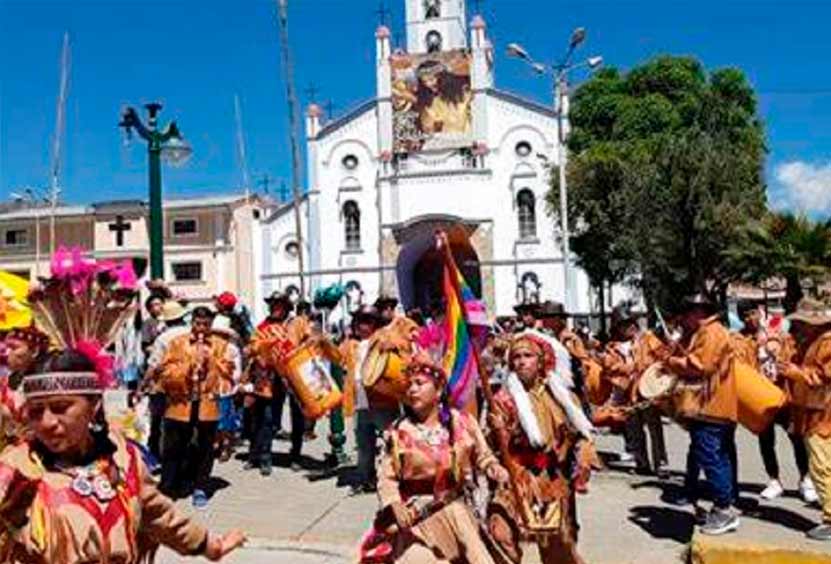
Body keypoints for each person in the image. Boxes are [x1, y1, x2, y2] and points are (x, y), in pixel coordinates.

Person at [364, 345, 509, 563]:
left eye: (420, 384)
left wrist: (493, 467)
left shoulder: (461, 423)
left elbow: (483, 455)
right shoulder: (398, 433)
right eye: (409, 385)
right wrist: (394, 503)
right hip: (417, 518)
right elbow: (387, 477)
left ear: (439, 390)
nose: (412, 390)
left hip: (457, 513)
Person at [486, 334, 597, 564]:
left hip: (552, 481)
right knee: (500, 535)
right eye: (516, 357)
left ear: (541, 361)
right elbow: (489, 449)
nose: (521, 362)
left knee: (558, 549)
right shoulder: (502, 399)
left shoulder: (562, 397)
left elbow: (582, 436)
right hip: (515, 480)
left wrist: (584, 457)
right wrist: (498, 432)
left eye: (527, 356)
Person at [665, 294, 740, 536]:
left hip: (710, 406)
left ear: (698, 312)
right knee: (720, 456)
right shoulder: (711, 332)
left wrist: (673, 362)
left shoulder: (710, 333)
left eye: (687, 314)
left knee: (710, 456)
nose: (684, 319)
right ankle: (725, 505)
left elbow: (700, 366)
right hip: (717, 406)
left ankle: (723, 508)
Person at [734, 303, 815, 503]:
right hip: (760, 399)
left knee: (796, 438)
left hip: (784, 395)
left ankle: (805, 478)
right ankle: (774, 480)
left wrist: (773, 343)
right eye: (744, 315)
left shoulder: (779, 332)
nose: (749, 318)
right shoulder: (740, 339)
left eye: (752, 313)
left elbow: (791, 354)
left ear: (760, 312)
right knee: (766, 441)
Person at [158, 307, 235, 508]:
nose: (201, 328)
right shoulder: (177, 343)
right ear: (192, 323)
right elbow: (166, 371)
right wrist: (188, 367)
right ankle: (168, 486)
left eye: (206, 325)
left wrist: (210, 361)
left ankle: (201, 486)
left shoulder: (221, 345)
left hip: (207, 402)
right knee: (173, 447)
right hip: (180, 402)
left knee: (206, 448)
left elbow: (228, 372)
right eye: (198, 324)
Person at [777, 298, 831, 540]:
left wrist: (796, 373)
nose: (798, 327)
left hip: (823, 414)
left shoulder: (827, 343)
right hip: (815, 412)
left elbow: (822, 377)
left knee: (821, 466)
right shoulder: (813, 342)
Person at [246, 291, 308, 474]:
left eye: (278, 304)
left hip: (294, 376)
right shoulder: (262, 327)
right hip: (270, 379)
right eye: (272, 304)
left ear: (286, 307)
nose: (274, 307)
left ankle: (296, 455)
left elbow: (309, 340)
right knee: (267, 419)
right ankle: (264, 457)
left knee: (298, 417)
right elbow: (252, 347)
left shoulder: (297, 323)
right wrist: (264, 347)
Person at [601, 308, 669, 476]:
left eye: (631, 322)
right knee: (634, 430)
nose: (630, 327)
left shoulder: (648, 339)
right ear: (618, 328)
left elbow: (662, 357)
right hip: (627, 394)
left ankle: (660, 463)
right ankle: (642, 462)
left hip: (648, 391)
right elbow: (610, 368)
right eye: (624, 324)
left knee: (655, 428)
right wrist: (629, 369)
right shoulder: (612, 349)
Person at [348, 306, 405, 495]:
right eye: (359, 321)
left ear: (375, 324)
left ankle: (397, 477)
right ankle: (365, 479)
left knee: (391, 441)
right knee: (364, 445)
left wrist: (393, 342)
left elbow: (404, 341)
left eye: (366, 321)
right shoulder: (352, 345)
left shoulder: (384, 337)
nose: (361, 326)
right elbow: (336, 357)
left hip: (382, 400)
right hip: (361, 403)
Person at [143, 300, 190, 462]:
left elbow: (153, 365)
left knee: (160, 422)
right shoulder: (192, 333)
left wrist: (142, 386)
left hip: (166, 386)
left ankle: (158, 456)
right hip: (189, 385)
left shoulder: (163, 338)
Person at [212, 315, 243, 463]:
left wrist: (231, 381)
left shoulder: (232, 349)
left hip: (225, 388)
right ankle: (215, 444)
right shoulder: (208, 347)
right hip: (210, 389)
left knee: (224, 421)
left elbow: (237, 371)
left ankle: (225, 446)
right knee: (212, 420)